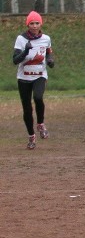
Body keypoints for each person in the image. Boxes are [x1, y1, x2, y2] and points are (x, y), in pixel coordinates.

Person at [12, 11, 55, 149]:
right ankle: (31, 136)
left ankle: (40, 124)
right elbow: (15, 60)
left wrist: (50, 60)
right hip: (24, 78)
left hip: (40, 75)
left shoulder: (46, 38)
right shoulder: (21, 39)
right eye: (32, 23)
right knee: (27, 109)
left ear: (40, 24)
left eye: (37, 23)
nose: (34, 26)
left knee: (38, 97)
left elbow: (48, 53)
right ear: (28, 24)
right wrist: (25, 51)